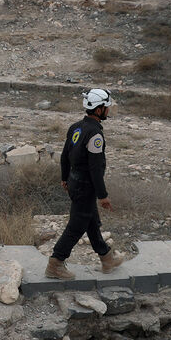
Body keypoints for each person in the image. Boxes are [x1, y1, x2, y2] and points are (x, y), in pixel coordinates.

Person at [46, 88, 125, 280]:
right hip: (85, 187)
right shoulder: (95, 135)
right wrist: (102, 195)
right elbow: (95, 169)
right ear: (98, 110)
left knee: (91, 223)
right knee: (76, 226)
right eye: (106, 107)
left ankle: (106, 258)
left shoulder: (76, 127)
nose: (108, 110)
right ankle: (55, 264)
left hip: (74, 182)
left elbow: (65, 156)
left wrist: (65, 178)